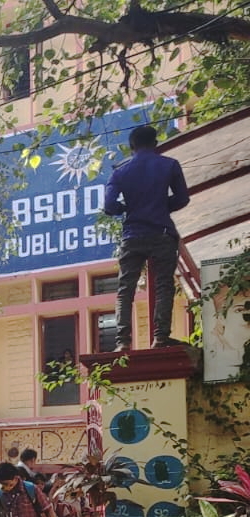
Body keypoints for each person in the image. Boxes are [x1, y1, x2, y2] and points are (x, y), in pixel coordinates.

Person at [104, 123, 189, 351]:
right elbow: (182, 198)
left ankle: (122, 341)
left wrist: (126, 208)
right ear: (155, 144)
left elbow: (109, 206)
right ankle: (160, 337)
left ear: (131, 147)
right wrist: (161, 206)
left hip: (132, 235)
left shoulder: (120, 171)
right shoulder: (169, 165)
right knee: (164, 285)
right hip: (162, 232)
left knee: (125, 288)